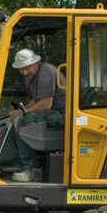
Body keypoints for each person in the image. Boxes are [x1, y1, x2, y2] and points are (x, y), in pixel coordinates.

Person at [8, 49, 66, 182]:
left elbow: (45, 104)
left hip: (62, 114)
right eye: (21, 69)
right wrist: (19, 112)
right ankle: (20, 163)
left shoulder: (46, 73)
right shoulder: (30, 77)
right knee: (12, 121)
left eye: (27, 68)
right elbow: (35, 100)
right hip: (50, 113)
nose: (24, 72)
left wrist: (22, 114)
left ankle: (32, 169)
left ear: (36, 63)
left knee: (22, 122)